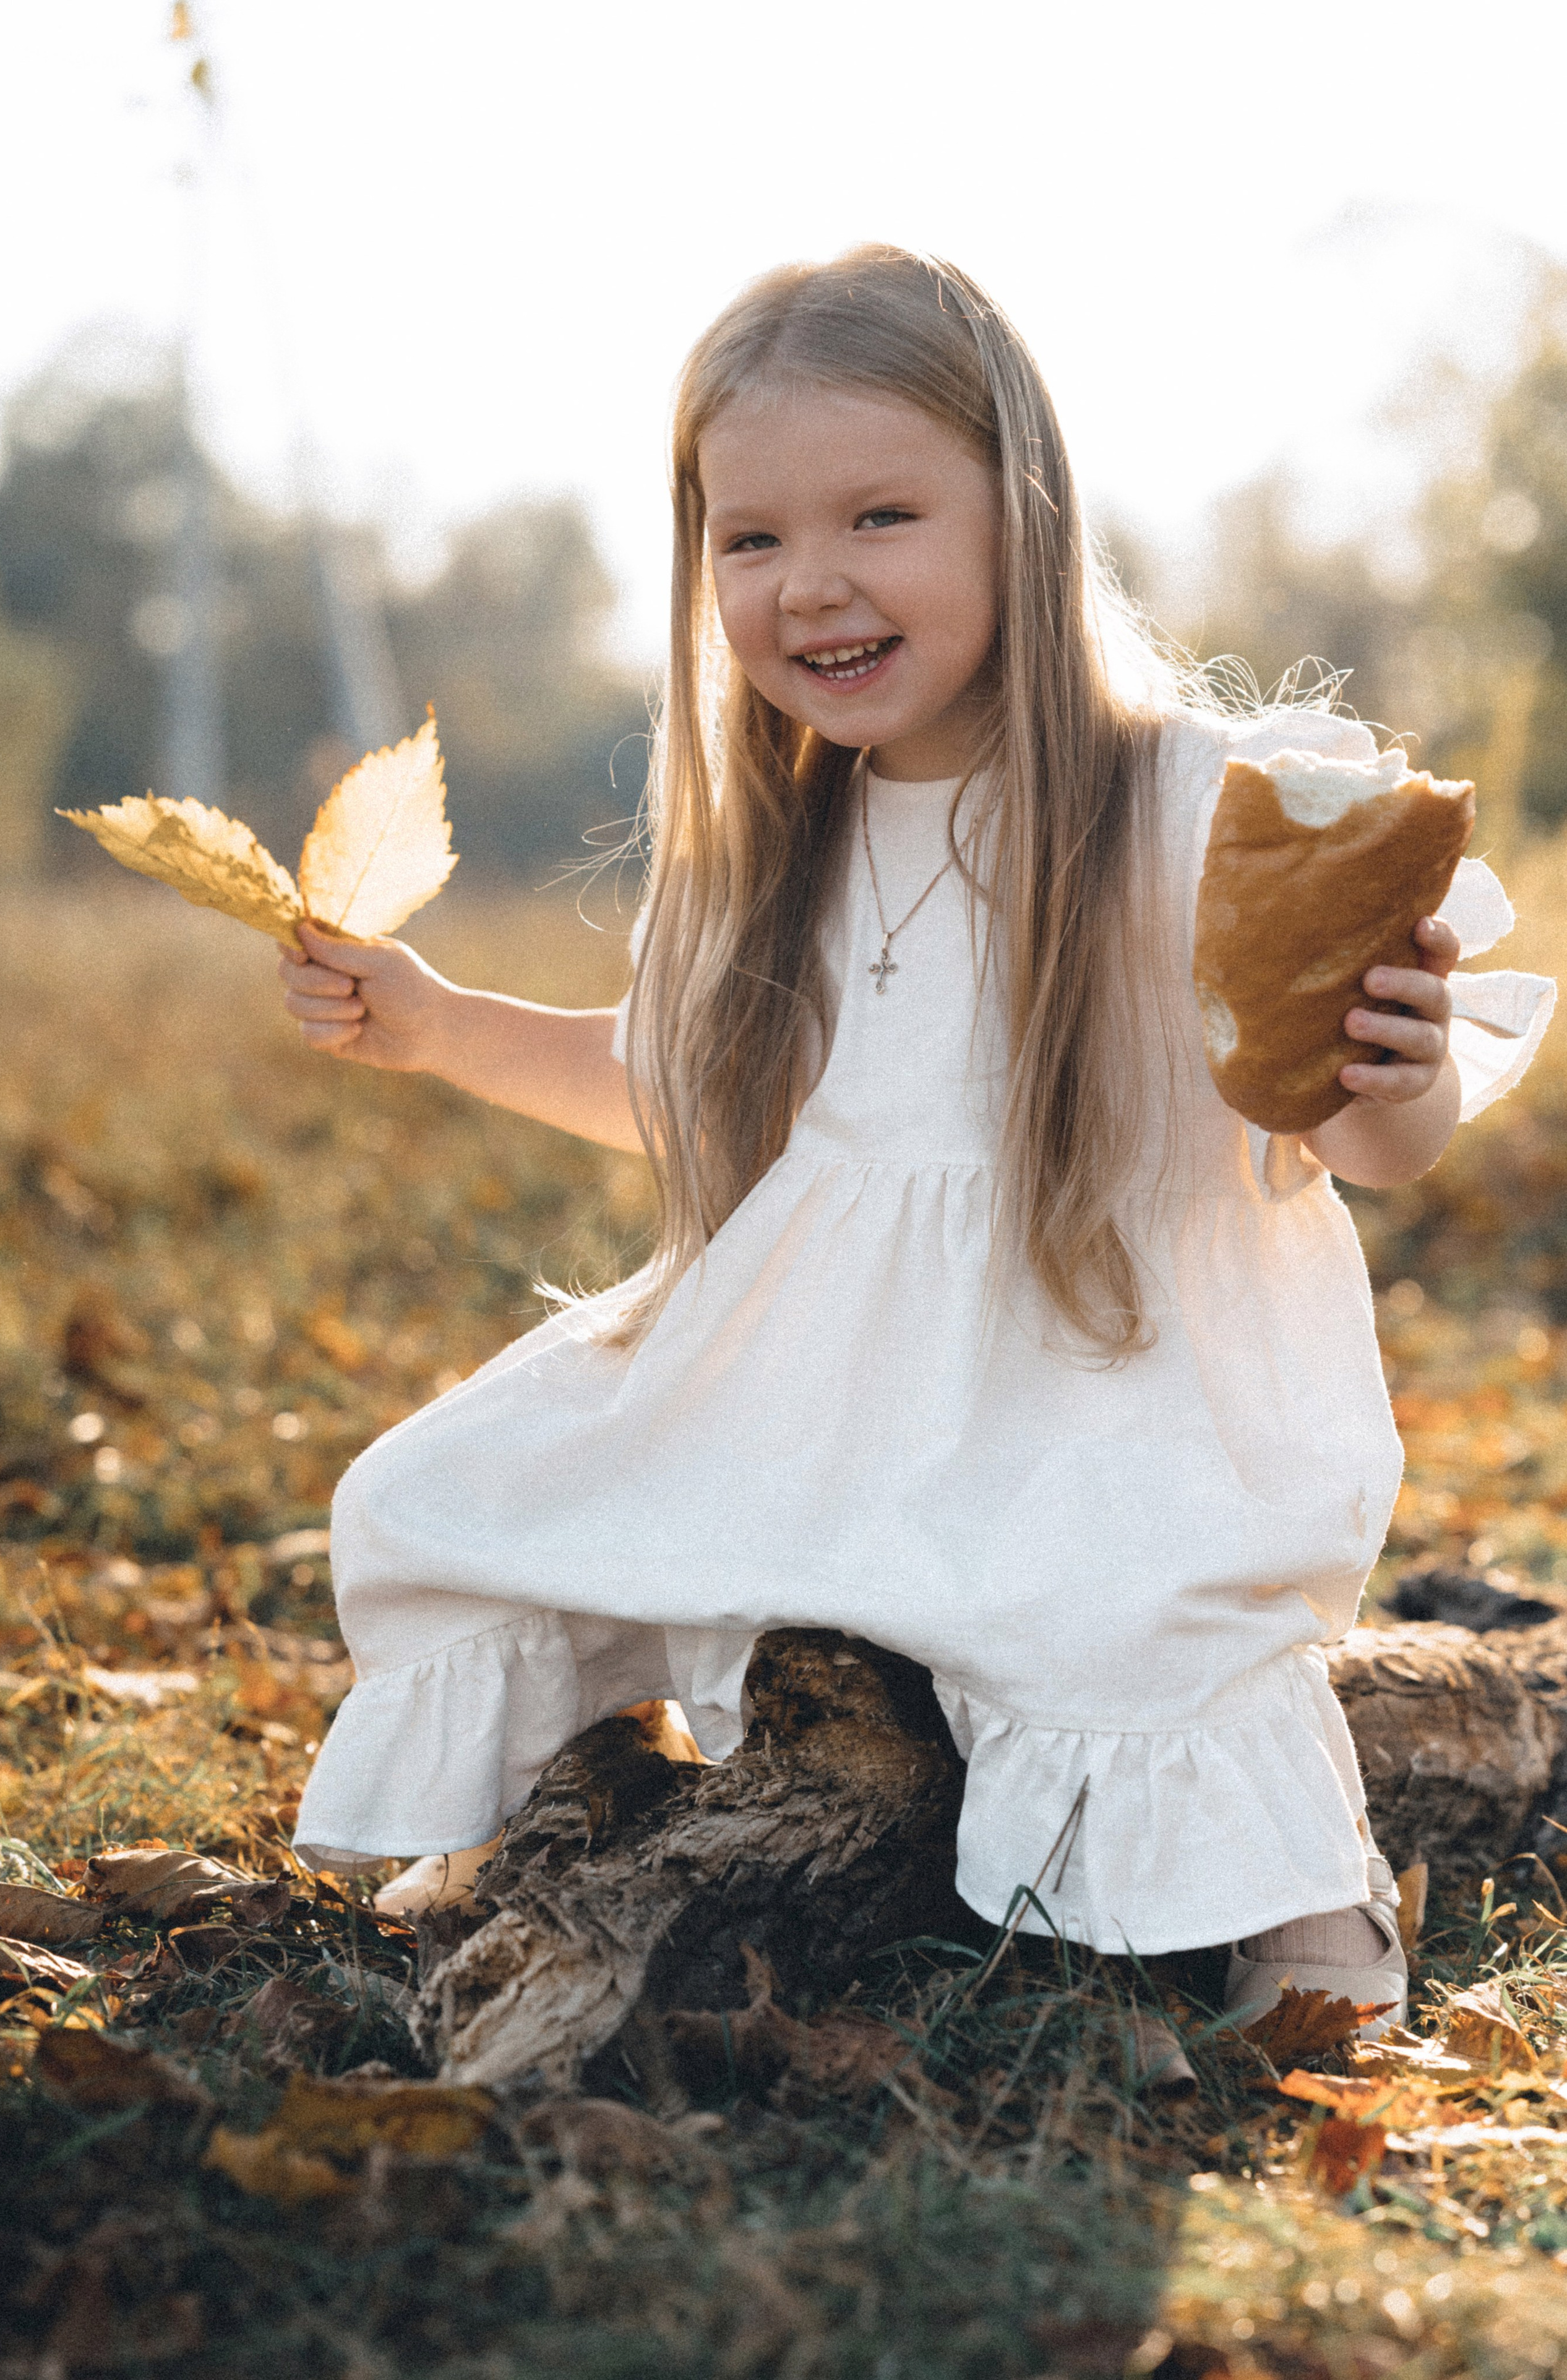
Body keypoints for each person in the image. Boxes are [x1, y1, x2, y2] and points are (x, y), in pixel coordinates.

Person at [283, 246, 1554, 2028]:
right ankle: (561, 1801)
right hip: (822, 1393)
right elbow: (678, 1088)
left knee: (1131, 1623)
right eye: (752, 540)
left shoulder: (1199, 801)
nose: (813, 585)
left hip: (1110, 1396)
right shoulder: (778, 845)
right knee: (432, 1498)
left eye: (881, 516)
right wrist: (436, 1025)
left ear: (1017, 516)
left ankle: (1307, 1928)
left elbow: (1371, 1141)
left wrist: (1397, 1070)